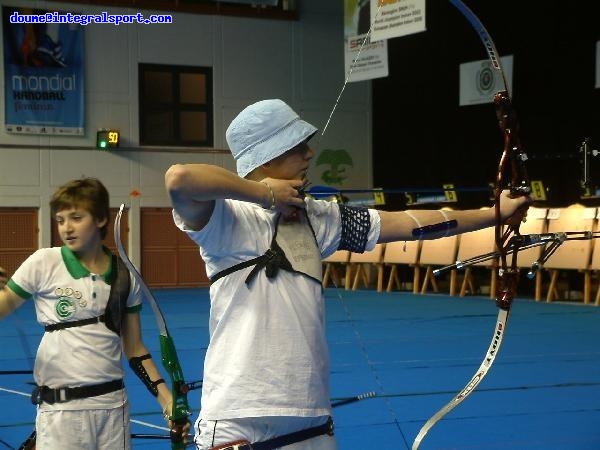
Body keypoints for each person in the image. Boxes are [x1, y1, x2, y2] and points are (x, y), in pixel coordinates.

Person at [164, 99, 530, 450]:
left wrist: (493, 214)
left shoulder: (319, 218)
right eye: (297, 147)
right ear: (265, 157)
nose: (309, 154)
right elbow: (180, 179)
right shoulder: (226, 218)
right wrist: (262, 194)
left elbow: (410, 224)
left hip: (311, 414)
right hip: (239, 417)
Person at [0, 178, 190, 449]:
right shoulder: (44, 262)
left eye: (76, 217)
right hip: (60, 412)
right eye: (60, 219)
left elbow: (134, 348)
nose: (67, 227)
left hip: (113, 410)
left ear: (101, 219)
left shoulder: (124, 276)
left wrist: (168, 402)